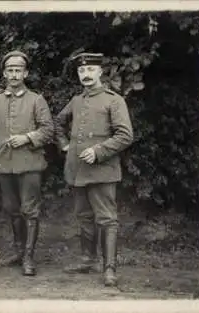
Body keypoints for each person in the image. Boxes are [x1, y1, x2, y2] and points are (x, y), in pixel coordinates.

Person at [55, 52, 134, 286]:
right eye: (81, 71)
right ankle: (87, 260)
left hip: (102, 170)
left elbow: (125, 135)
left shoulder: (114, 100)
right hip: (78, 170)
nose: (86, 75)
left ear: (100, 72)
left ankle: (109, 268)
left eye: (90, 70)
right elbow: (57, 123)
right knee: (84, 217)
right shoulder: (77, 100)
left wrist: (99, 151)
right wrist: (64, 145)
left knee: (107, 219)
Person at [0, 50, 54, 276]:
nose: (13, 74)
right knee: (12, 209)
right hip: (4, 165)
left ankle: (29, 258)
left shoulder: (36, 100)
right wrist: (0, 142)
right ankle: (19, 252)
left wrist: (27, 138)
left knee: (30, 210)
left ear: (25, 73)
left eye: (18, 70)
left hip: (30, 163)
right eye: (10, 70)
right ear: (4, 73)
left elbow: (48, 130)